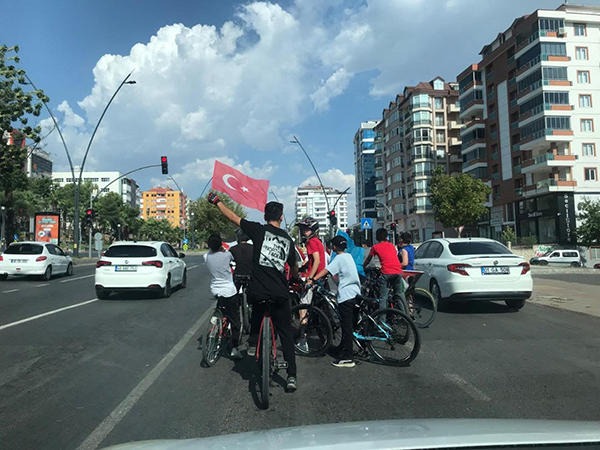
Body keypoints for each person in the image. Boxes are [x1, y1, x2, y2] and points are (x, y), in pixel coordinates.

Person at [207, 193, 298, 392]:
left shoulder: (257, 231)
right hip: (280, 291)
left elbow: (232, 216)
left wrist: (217, 201)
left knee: (257, 307)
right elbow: (294, 265)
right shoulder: (287, 239)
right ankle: (291, 376)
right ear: (281, 217)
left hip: (258, 290)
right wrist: (295, 279)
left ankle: (253, 341)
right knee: (285, 332)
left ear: (265, 217)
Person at [308, 235, 361, 368]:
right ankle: (343, 348)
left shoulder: (338, 258)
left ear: (334, 247)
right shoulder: (348, 256)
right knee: (352, 324)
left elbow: (326, 270)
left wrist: (313, 279)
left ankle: (348, 357)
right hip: (356, 292)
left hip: (346, 295)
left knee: (347, 326)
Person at [203, 233, 242, 359]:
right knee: (235, 321)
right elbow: (232, 260)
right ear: (220, 244)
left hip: (215, 289)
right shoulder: (227, 255)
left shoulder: (206, 256)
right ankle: (234, 348)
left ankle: (216, 321)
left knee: (221, 308)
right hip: (229, 290)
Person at [363, 228, 404, 309]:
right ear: (386, 237)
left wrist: (363, 266)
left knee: (383, 297)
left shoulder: (375, 247)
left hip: (387, 272)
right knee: (400, 294)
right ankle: (405, 315)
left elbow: (368, 259)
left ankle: (382, 320)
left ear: (376, 237)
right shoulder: (391, 245)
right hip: (398, 271)